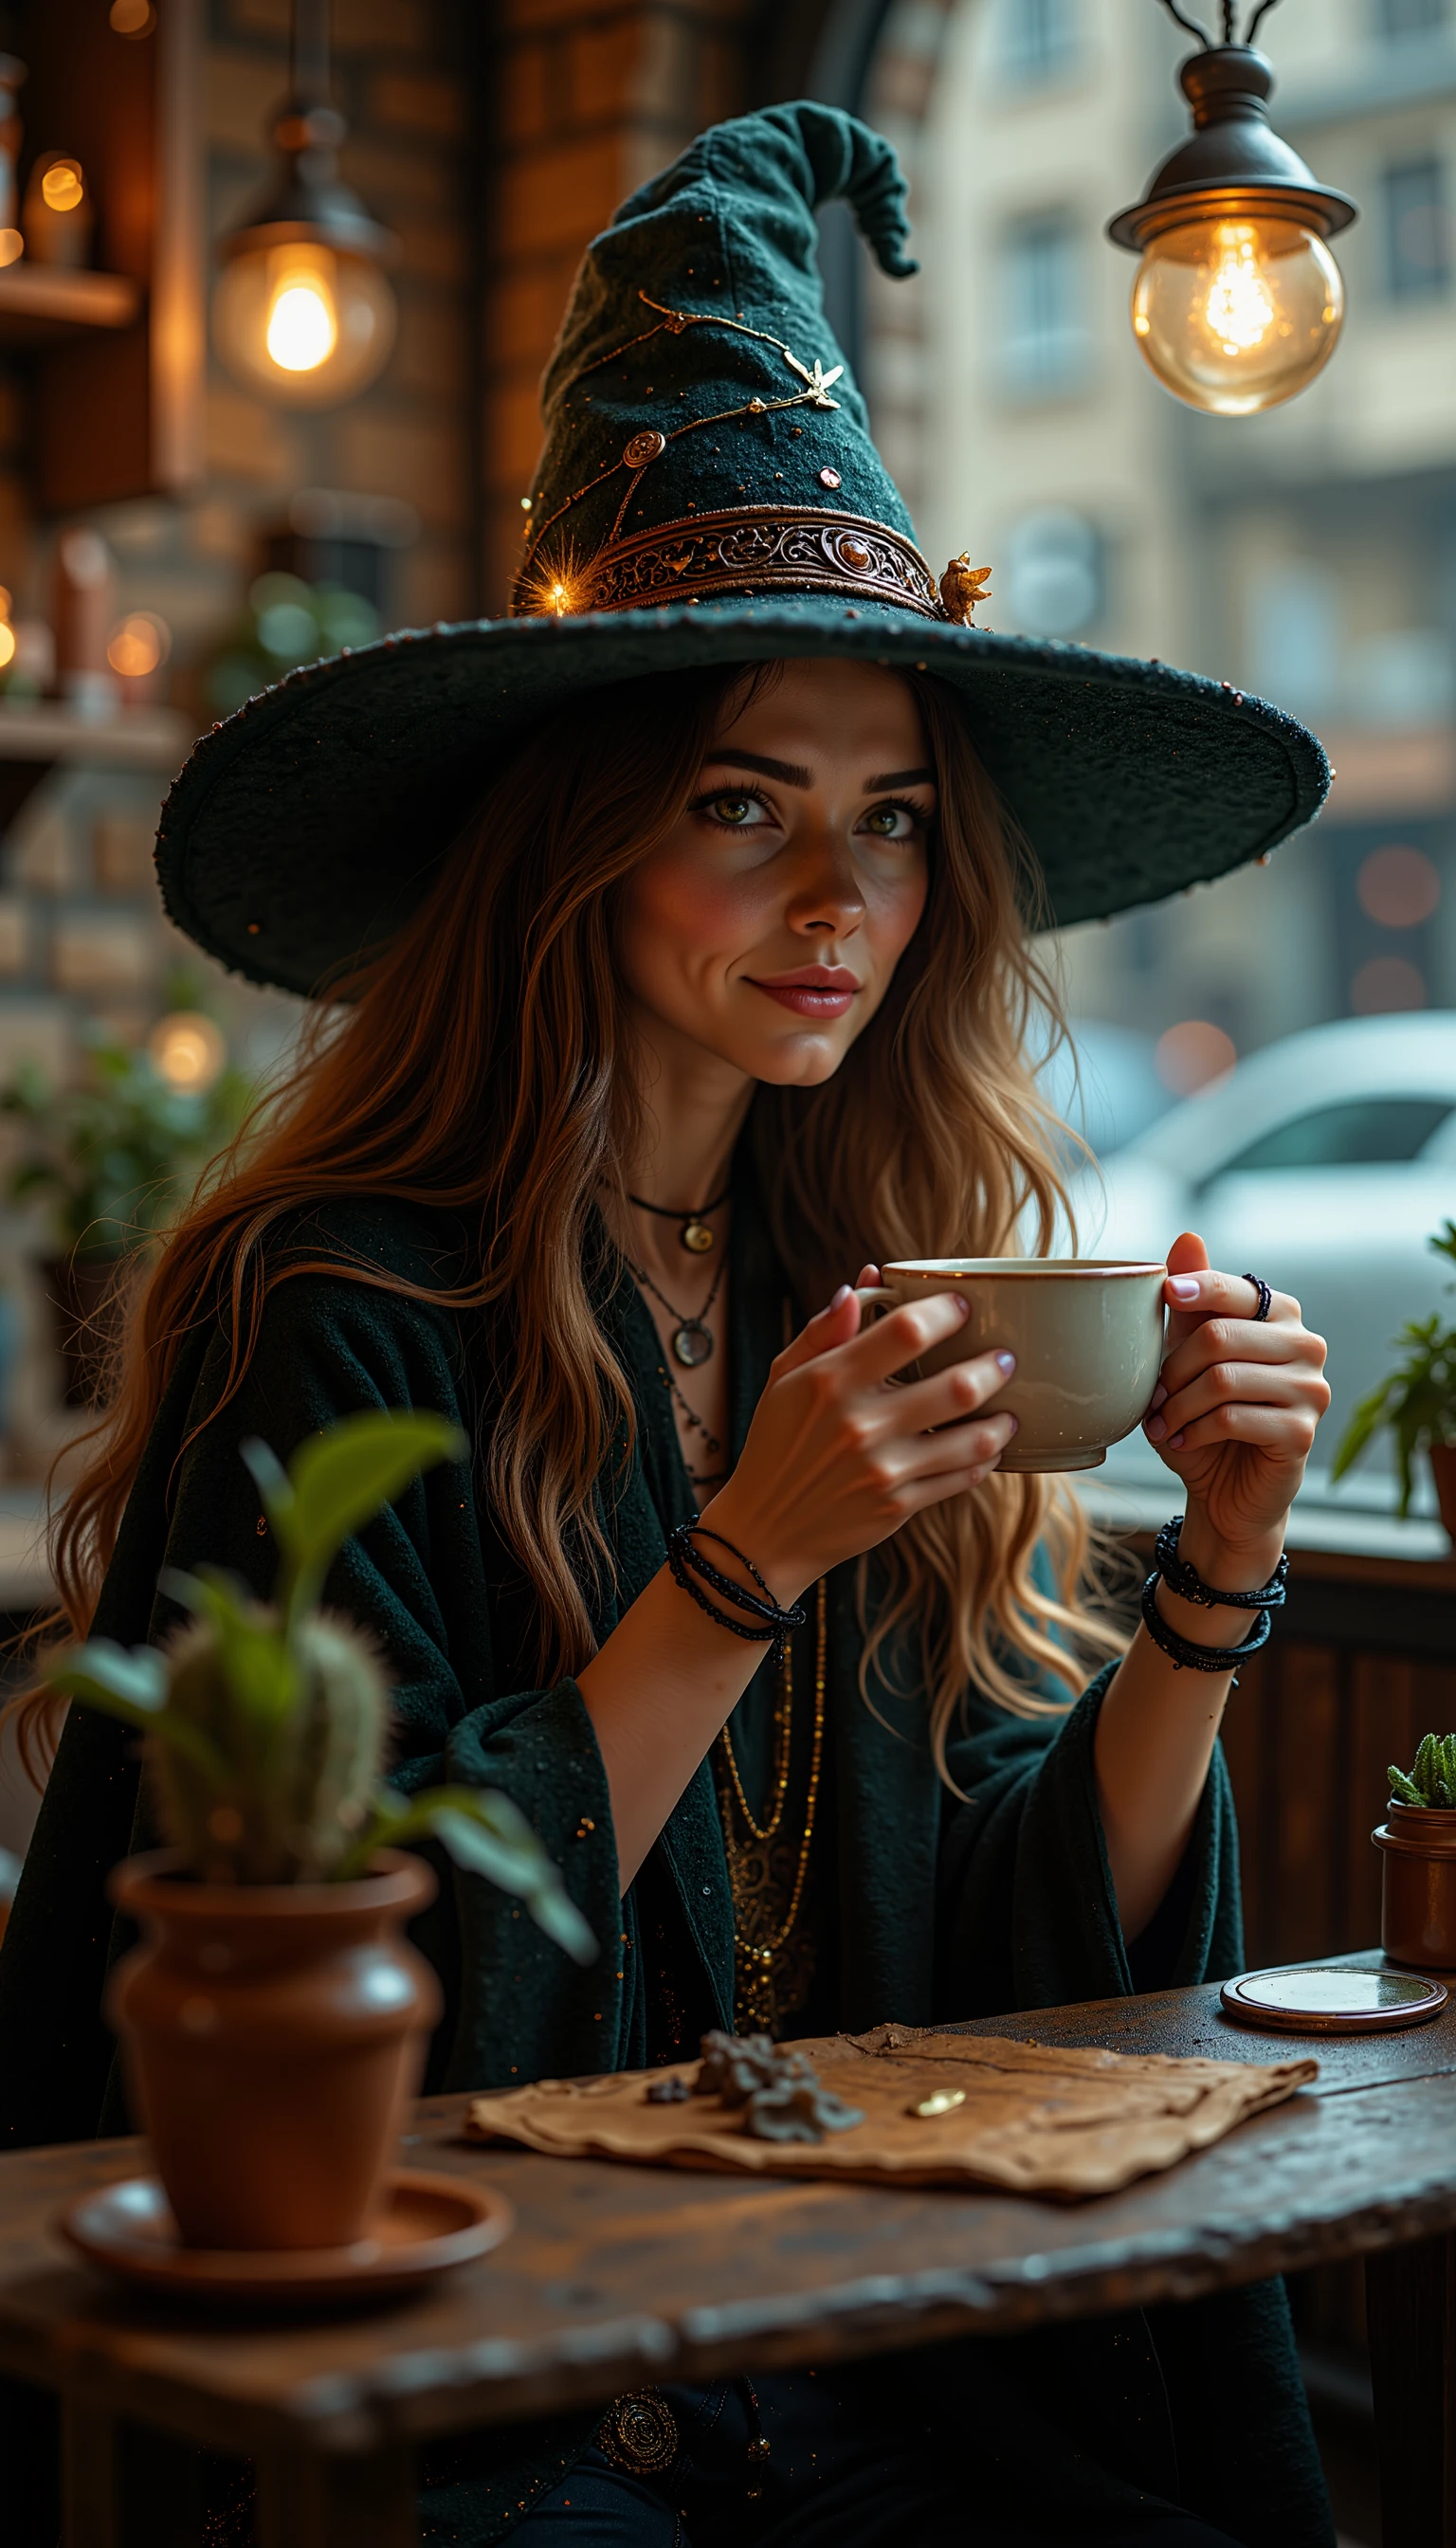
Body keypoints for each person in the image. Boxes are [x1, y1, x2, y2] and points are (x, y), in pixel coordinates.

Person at [0, 104, 1335, 2548]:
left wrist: (1217, 1582)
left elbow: (1030, 1943)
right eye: (746, 804)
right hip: (487, 2405)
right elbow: (309, 1969)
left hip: (861, 2351)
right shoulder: (348, 1306)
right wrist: (738, 1564)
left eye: (899, 817)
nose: (841, 894)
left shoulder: (876, 1294)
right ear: (574, 843)